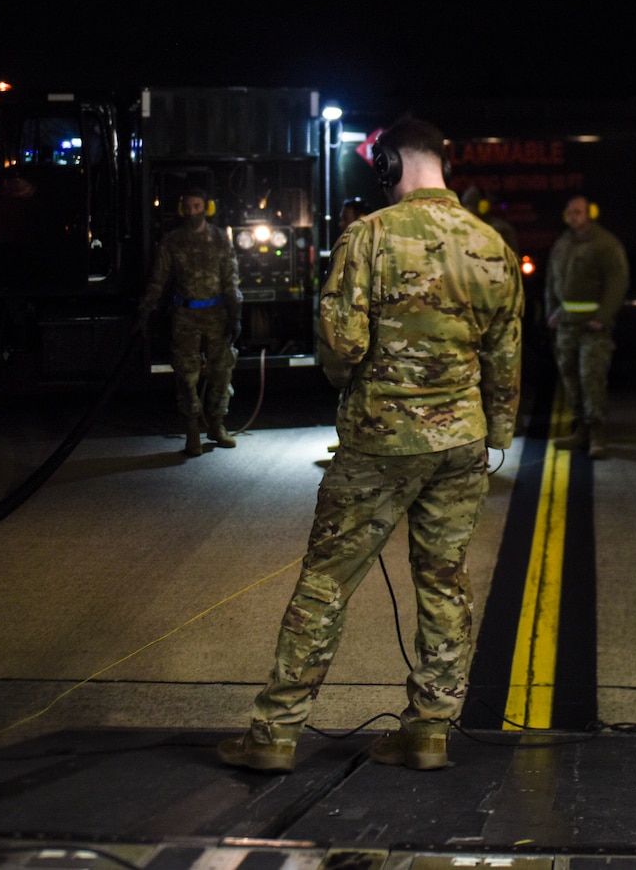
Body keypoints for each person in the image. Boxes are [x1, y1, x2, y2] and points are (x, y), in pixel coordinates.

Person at [219, 118, 522, 775]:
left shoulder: (369, 237)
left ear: (388, 164)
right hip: (462, 442)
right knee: (443, 582)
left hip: (380, 444)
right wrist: (495, 429)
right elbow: (506, 353)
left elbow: (342, 346)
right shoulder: (491, 244)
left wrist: (354, 380)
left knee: (326, 581)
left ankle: (274, 733)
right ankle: (428, 731)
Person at [133, 183, 241, 456]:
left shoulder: (220, 239)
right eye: (188, 207)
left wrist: (235, 313)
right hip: (185, 317)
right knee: (186, 375)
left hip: (216, 315)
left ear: (207, 208)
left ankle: (216, 425)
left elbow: (231, 279)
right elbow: (158, 280)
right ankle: (192, 431)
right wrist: (146, 310)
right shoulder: (172, 241)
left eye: (198, 206)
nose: (193, 212)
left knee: (221, 372)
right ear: (182, 209)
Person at [546, 193, 627, 458]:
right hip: (567, 325)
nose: (573, 216)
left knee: (591, 377)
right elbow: (552, 282)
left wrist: (603, 316)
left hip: (592, 328)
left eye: (578, 212)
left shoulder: (605, 244)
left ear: (590, 213)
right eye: (570, 212)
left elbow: (617, 281)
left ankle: (597, 435)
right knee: (570, 379)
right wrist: (552, 313)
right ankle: (580, 428)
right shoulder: (562, 244)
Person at [458, 184, 520, 255]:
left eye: (468, 206)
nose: (466, 209)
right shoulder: (463, 228)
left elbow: (513, 258)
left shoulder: (501, 229)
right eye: (465, 206)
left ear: (483, 206)